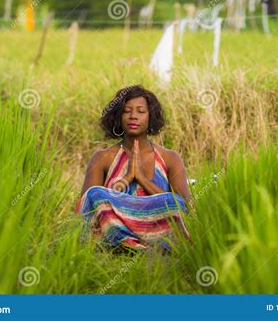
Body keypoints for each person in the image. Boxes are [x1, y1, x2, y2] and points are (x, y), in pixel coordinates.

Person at [75, 85, 192, 253]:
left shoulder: (170, 158)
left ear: (150, 116)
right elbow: (86, 207)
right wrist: (128, 177)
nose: (133, 116)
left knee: (176, 202)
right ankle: (126, 245)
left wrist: (142, 179)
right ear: (118, 116)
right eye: (126, 111)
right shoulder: (103, 158)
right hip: (115, 227)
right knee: (94, 195)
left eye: (140, 111)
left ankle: (148, 247)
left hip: (157, 228)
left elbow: (184, 206)